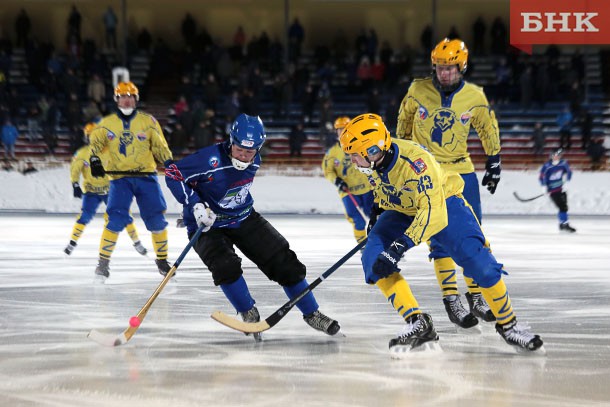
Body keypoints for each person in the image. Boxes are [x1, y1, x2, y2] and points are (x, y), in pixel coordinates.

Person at [340, 113, 543, 353]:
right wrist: (377, 211)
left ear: (373, 150)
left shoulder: (416, 162)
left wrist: (399, 246)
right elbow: (384, 187)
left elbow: (432, 212)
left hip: (443, 204)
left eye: (354, 155)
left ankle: (509, 326)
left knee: (480, 264)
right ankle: (418, 323)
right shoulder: (373, 162)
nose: (352, 161)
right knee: (373, 259)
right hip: (402, 208)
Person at [165, 113, 340, 341]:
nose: (244, 156)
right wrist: (195, 205)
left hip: (243, 217)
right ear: (231, 141)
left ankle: (312, 313)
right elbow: (173, 173)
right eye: (239, 150)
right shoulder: (209, 159)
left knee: (286, 263)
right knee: (224, 266)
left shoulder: (256, 158)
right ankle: (248, 312)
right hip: (207, 224)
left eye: (250, 152)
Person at [396, 38, 499, 328]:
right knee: (438, 236)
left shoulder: (475, 96)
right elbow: (403, 122)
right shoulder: (418, 90)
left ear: (462, 66)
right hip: (427, 174)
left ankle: (476, 296)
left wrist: (494, 162)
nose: (445, 74)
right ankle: (451, 298)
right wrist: (401, 156)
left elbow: (487, 128)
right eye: (440, 68)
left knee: (473, 235)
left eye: (451, 68)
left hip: (462, 172)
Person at [89, 81, 173, 280]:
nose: (127, 100)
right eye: (123, 96)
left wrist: (168, 161)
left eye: (130, 96)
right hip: (120, 179)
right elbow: (96, 143)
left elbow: (160, 145)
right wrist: (94, 158)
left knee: (156, 219)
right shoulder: (107, 123)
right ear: (117, 99)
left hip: (146, 177)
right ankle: (103, 263)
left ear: (136, 99)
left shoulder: (148, 121)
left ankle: (162, 261)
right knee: (115, 218)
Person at [65, 123, 148, 257]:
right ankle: (72, 242)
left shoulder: (111, 151)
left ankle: (136, 242)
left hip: (110, 190)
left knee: (124, 214)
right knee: (84, 215)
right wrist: (75, 183)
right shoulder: (82, 153)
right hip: (91, 192)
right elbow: (75, 169)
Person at [322, 116, 373, 244]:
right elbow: (328, 171)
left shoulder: (363, 145)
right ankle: (363, 246)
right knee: (358, 220)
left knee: (375, 217)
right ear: (336, 132)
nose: (342, 132)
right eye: (339, 130)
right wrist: (336, 181)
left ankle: (384, 244)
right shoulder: (332, 153)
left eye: (345, 129)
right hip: (348, 191)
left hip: (367, 189)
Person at [539, 149, 576, 233]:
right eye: (554, 155)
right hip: (553, 191)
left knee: (564, 207)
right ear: (551, 156)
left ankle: (562, 224)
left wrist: (567, 181)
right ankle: (564, 224)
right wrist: (544, 186)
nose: (556, 157)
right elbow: (542, 176)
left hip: (562, 189)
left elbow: (569, 172)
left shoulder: (563, 163)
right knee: (562, 207)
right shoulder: (547, 166)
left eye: (558, 155)